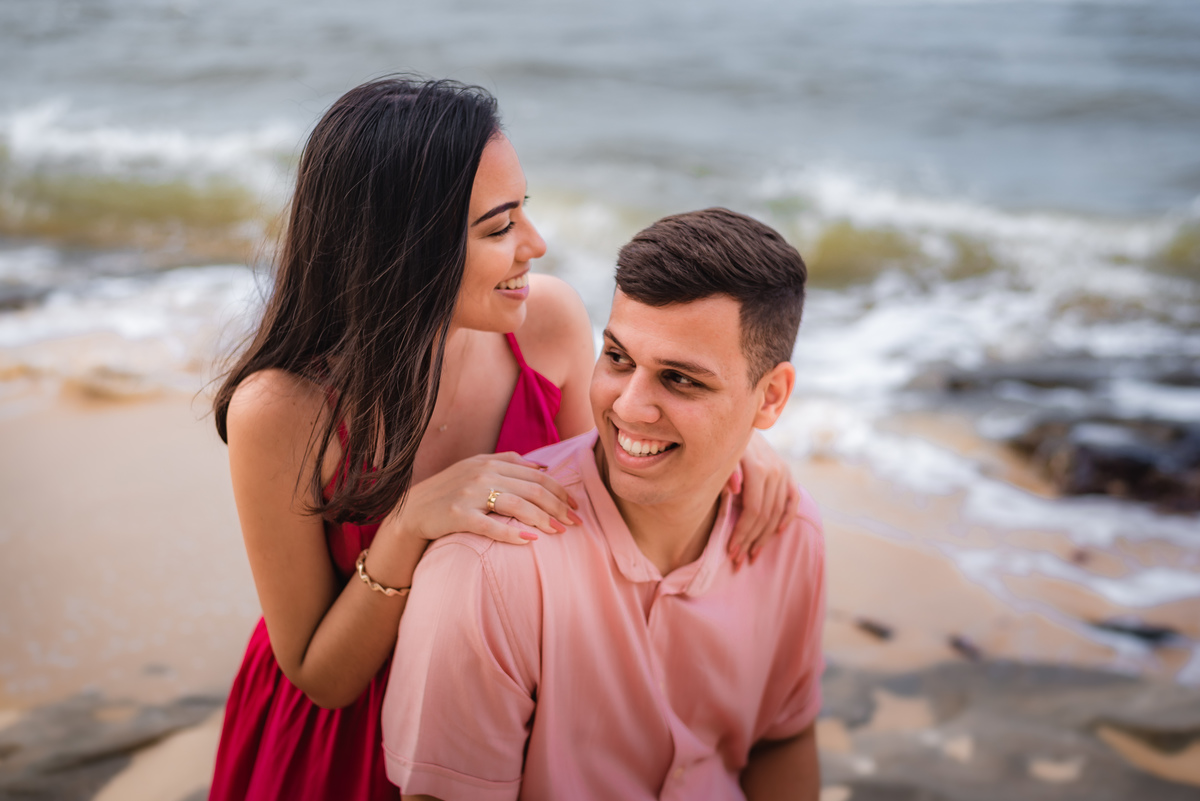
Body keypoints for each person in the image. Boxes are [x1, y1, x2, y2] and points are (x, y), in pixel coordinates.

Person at [207, 78, 800, 801]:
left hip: (512, 713)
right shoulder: (280, 410)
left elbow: (606, 501)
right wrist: (408, 525)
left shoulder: (546, 323)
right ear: (405, 251)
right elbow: (320, 677)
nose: (536, 244)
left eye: (524, 209)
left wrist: (738, 441)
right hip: (346, 749)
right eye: (498, 228)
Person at [381, 208, 826, 801]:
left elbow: (782, 739)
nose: (628, 407)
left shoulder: (790, 533)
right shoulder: (486, 571)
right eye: (618, 358)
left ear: (770, 398)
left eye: (681, 379)